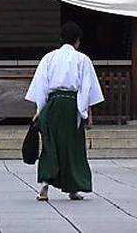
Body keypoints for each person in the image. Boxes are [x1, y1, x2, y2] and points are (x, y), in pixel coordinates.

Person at [25, 22, 104, 202]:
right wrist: (85, 113)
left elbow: (41, 86)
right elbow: (86, 89)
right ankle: (73, 188)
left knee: (50, 145)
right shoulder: (82, 59)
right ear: (77, 41)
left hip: (52, 105)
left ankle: (44, 184)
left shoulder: (49, 58)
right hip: (71, 105)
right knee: (72, 148)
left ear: (61, 39)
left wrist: (40, 110)